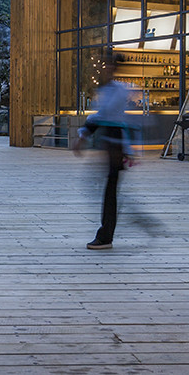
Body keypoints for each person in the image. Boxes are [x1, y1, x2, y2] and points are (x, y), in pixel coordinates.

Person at [71, 73, 147, 250]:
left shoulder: (117, 90)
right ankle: (112, 229)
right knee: (107, 188)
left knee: (110, 189)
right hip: (110, 143)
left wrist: (83, 136)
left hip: (115, 144)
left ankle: (106, 235)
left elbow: (105, 115)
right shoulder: (109, 89)